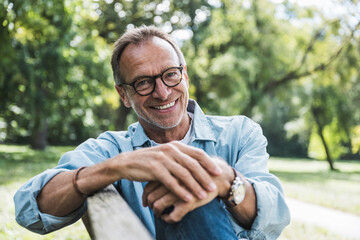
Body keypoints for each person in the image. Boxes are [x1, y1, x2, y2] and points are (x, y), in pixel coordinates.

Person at [14, 25, 290, 239]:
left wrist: (225, 181)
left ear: (185, 76)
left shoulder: (240, 132)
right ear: (123, 95)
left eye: (171, 74)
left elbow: (275, 216)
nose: (162, 92)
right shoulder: (111, 149)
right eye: (143, 82)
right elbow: (29, 208)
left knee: (193, 178)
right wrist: (115, 167)